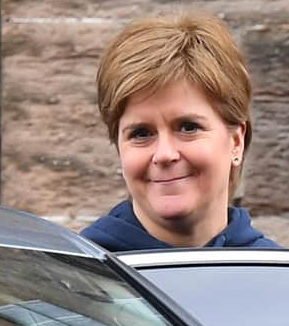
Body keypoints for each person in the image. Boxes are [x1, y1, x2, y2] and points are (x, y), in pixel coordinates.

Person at [81, 13, 278, 251]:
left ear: (236, 141)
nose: (164, 154)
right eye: (141, 133)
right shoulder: (75, 278)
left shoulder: (281, 279)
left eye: (188, 127)